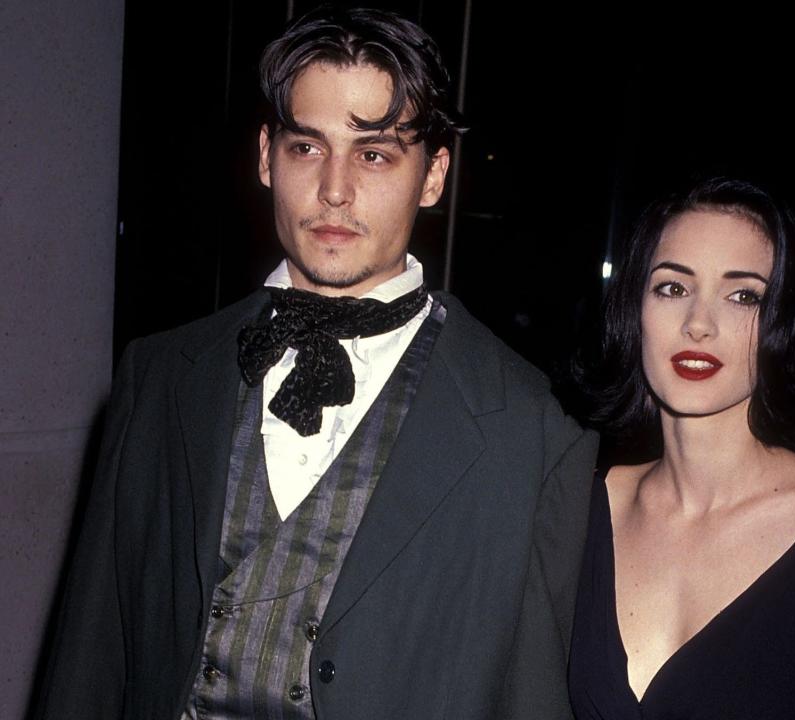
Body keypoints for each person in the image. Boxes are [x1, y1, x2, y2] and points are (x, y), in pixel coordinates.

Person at [36, 8, 597, 720]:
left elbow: (531, 696)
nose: (335, 190)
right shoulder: (160, 376)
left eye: (374, 154)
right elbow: (90, 657)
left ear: (433, 176)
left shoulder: (535, 427)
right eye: (308, 147)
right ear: (267, 156)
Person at [569, 177, 795, 718]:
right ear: (634, 310)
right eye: (672, 288)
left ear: (785, 321)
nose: (699, 325)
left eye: (743, 296)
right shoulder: (583, 506)